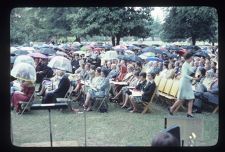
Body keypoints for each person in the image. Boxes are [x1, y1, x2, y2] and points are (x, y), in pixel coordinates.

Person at [168, 52, 198, 117]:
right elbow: (184, 75)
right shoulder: (185, 65)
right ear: (189, 58)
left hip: (187, 83)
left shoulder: (188, 64)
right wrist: (192, 78)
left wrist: (193, 77)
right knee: (182, 98)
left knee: (190, 98)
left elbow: (190, 72)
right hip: (184, 83)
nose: (192, 58)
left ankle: (188, 112)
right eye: (191, 57)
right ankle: (172, 108)